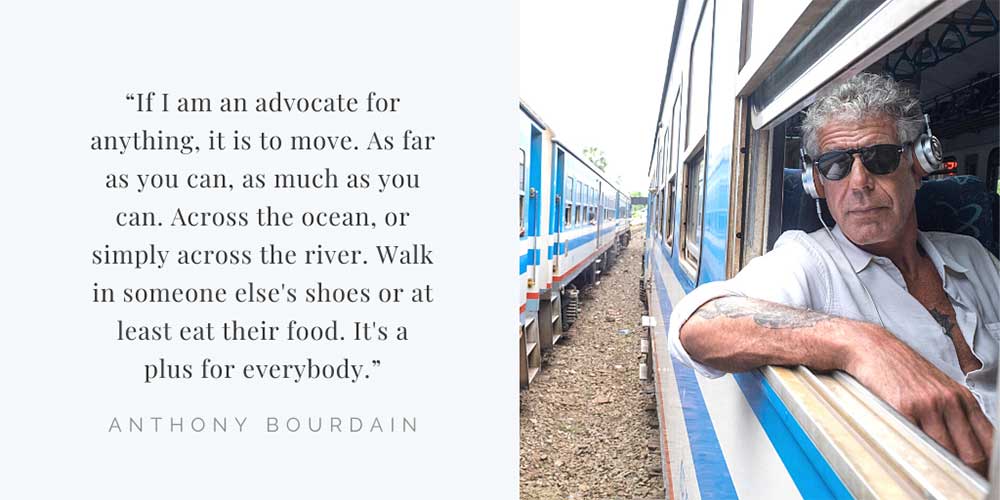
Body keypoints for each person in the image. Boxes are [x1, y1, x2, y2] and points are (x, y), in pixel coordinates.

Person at [668, 73, 999, 474]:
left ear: (917, 165)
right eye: (836, 165)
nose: (859, 183)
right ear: (817, 183)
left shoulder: (973, 256)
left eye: (880, 158)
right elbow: (695, 326)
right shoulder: (809, 261)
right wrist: (862, 342)